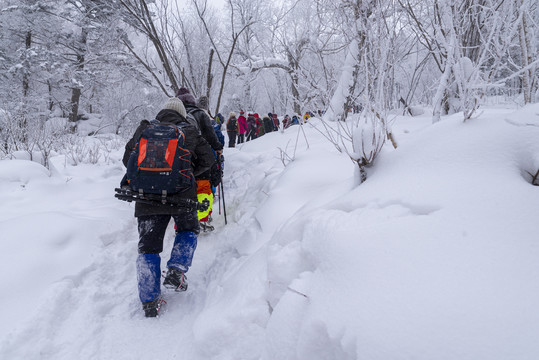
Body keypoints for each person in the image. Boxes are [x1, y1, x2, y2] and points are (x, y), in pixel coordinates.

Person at [122, 97, 215, 317]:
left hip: (146, 198)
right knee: (188, 230)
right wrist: (186, 175)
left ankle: (149, 301)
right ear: (182, 114)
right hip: (181, 196)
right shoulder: (189, 131)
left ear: (161, 112)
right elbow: (208, 159)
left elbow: (128, 159)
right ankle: (176, 269)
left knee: (148, 248)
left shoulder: (145, 129)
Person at [177, 87, 223, 157]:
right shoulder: (200, 114)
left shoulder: (174, 113)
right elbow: (209, 133)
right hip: (196, 152)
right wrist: (218, 147)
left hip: (175, 152)